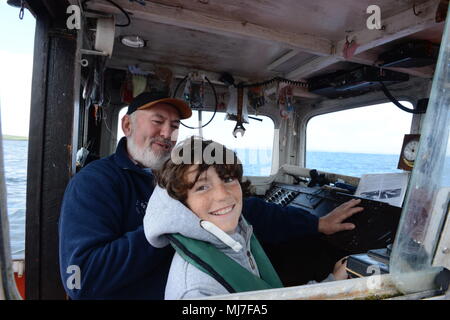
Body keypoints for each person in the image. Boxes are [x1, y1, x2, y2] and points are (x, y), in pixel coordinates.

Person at [58, 91, 363, 300]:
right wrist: (168, 230)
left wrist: (316, 224)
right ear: (127, 124)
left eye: (175, 125)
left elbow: (249, 211)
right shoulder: (96, 183)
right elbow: (82, 279)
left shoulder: (171, 174)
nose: (168, 133)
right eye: (157, 121)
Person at [144, 138, 349, 299]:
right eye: (202, 187)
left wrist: (331, 284)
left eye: (228, 179)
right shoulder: (198, 291)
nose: (223, 194)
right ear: (182, 203)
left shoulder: (236, 235)